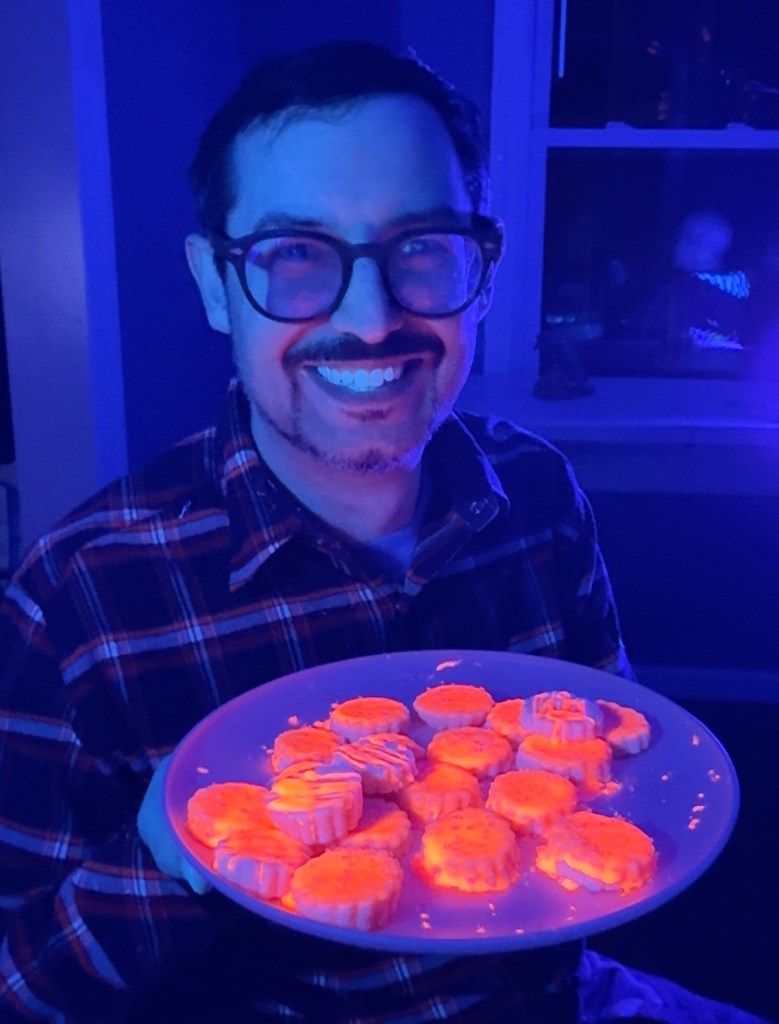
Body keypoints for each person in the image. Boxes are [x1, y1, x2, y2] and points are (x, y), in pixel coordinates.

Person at [0, 41, 769, 1024]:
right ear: (212, 285)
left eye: (421, 246)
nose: (368, 320)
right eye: (293, 254)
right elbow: (20, 987)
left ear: (481, 271)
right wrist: (164, 857)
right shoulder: (79, 594)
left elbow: (617, 771)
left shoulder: (537, 493)